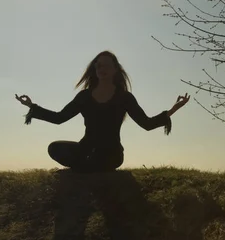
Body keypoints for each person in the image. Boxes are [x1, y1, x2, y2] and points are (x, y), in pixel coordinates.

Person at [15, 50, 190, 173]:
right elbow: (59, 118)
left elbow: (147, 124)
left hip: (111, 154)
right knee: (55, 148)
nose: (101, 69)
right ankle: (85, 167)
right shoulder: (84, 96)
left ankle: (82, 169)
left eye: (106, 65)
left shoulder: (125, 97)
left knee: (98, 161)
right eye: (98, 66)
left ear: (115, 69)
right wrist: (32, 107)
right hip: (85, 149)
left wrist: (173, 109)